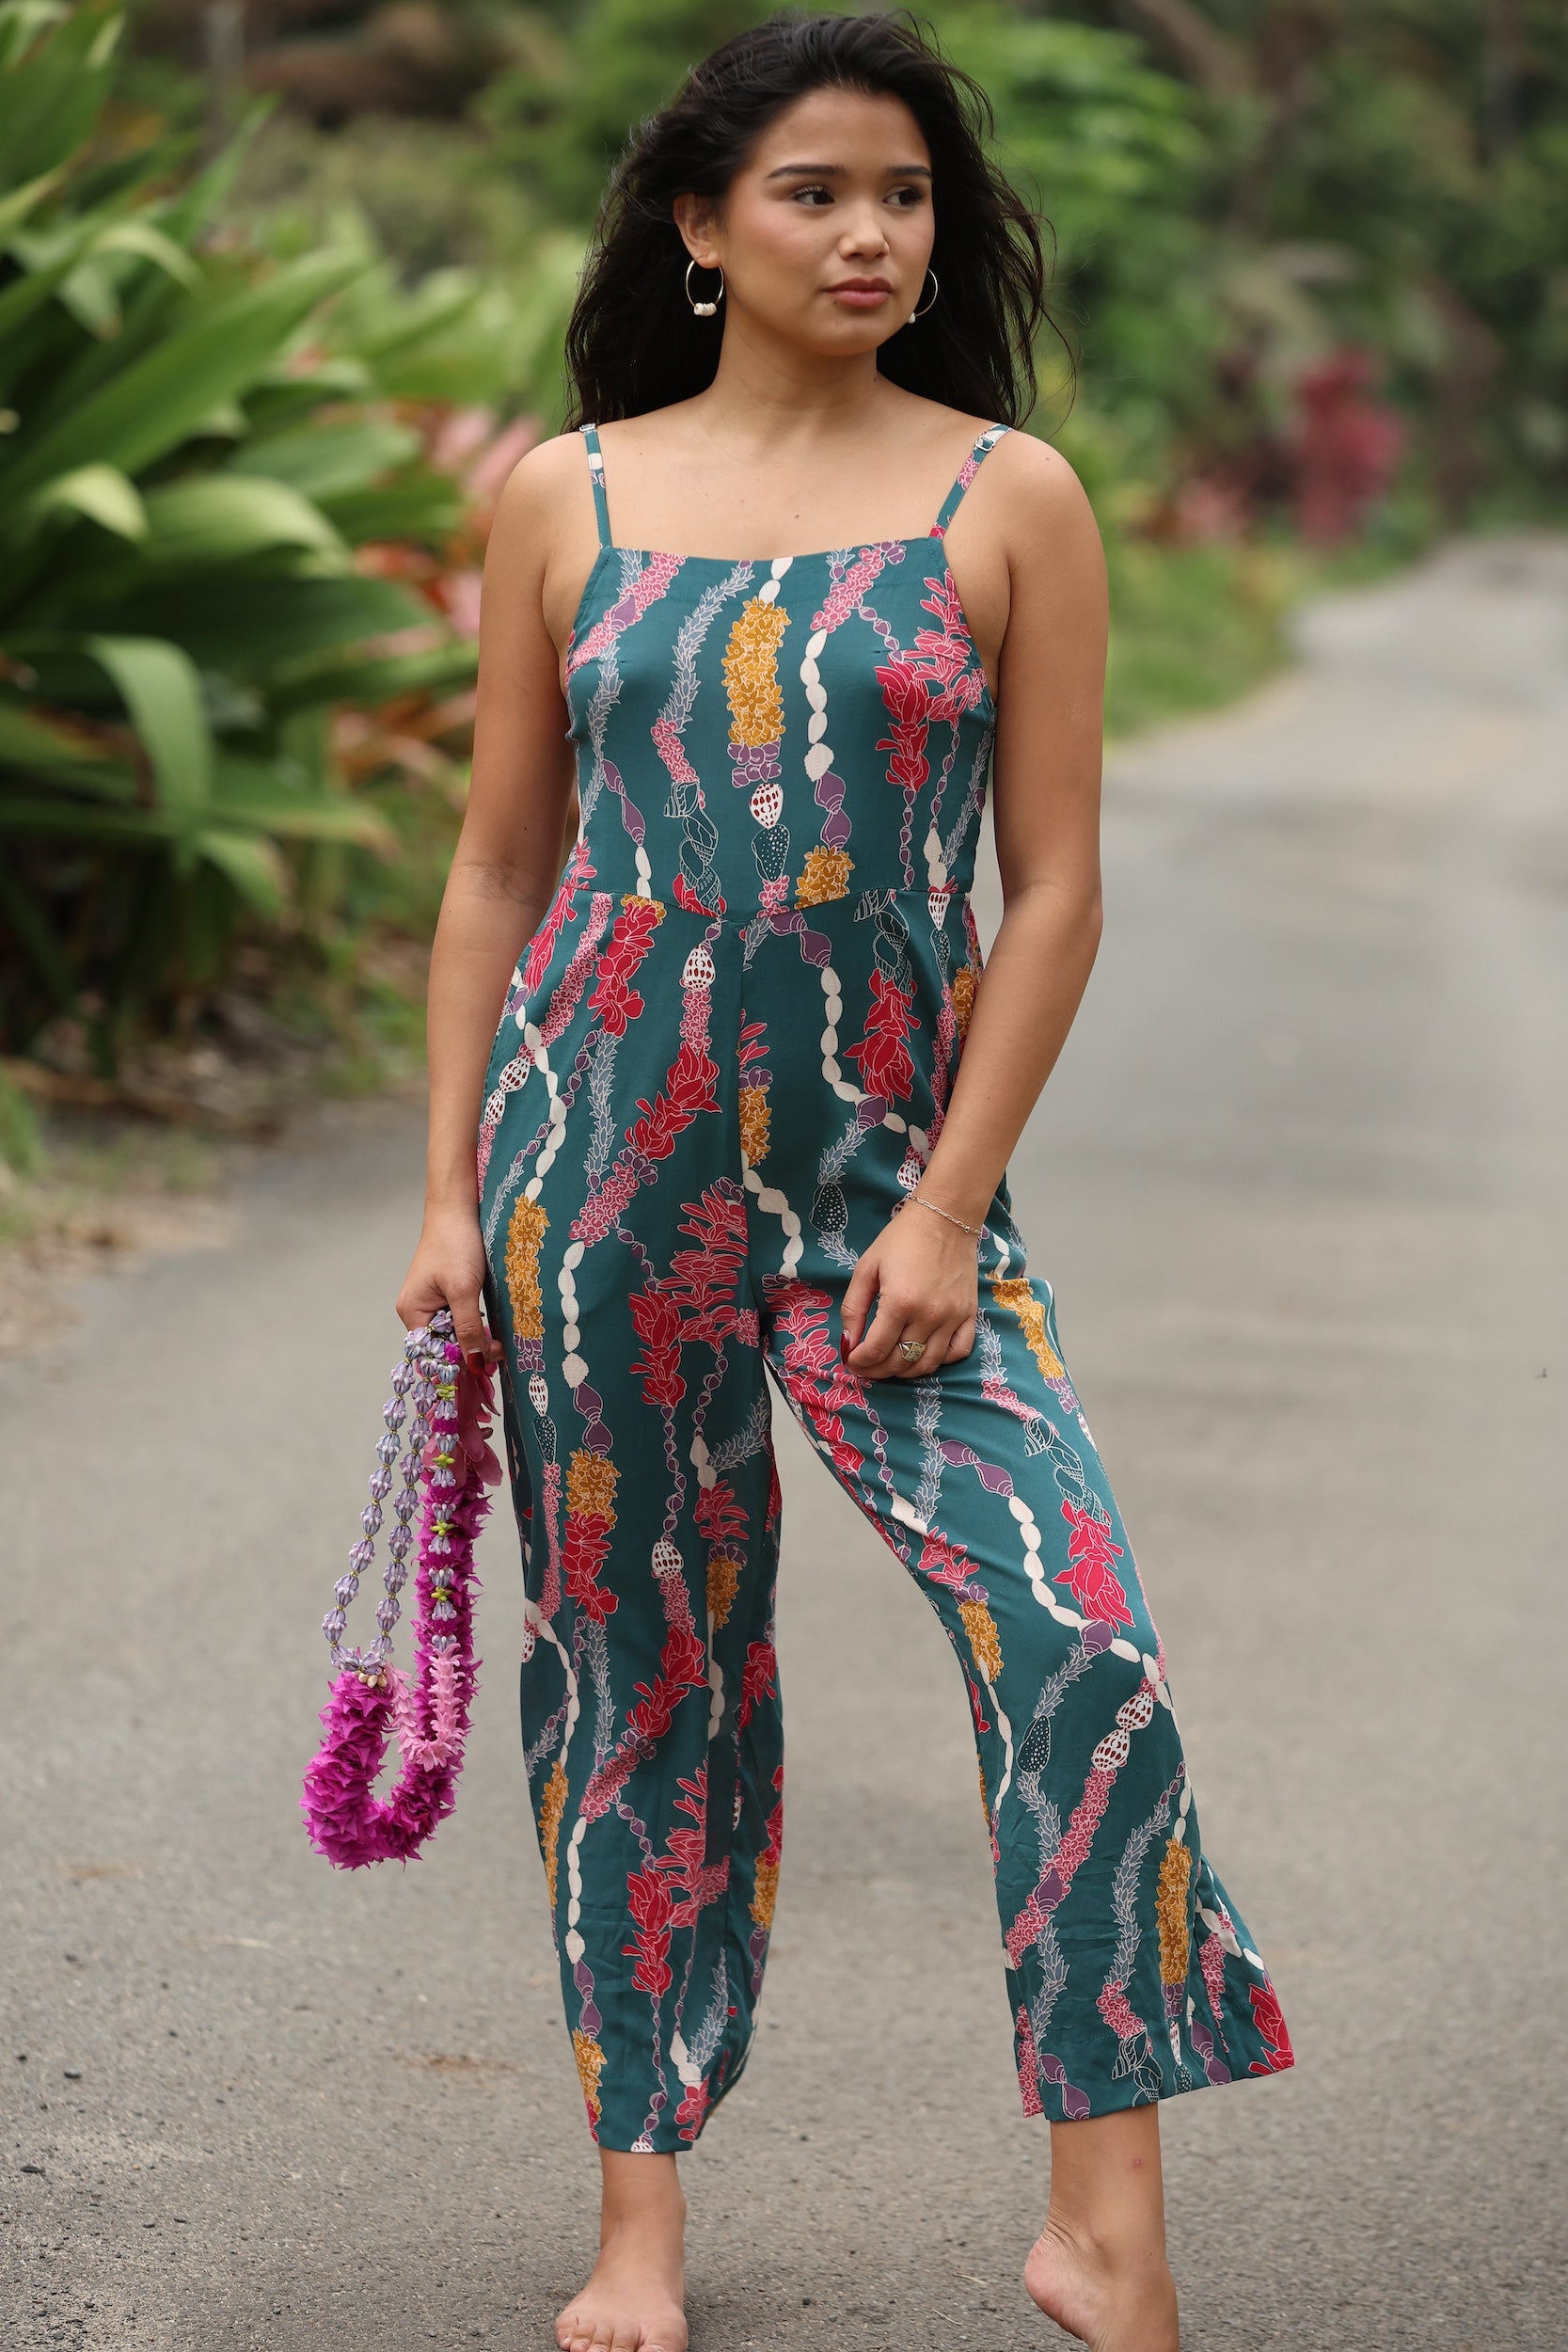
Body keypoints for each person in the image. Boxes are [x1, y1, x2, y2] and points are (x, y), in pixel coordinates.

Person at [396, 12, 1294, 2349]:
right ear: (704, 225)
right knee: (642, 1679)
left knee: (1078, 1640)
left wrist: (949, 1205)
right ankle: (639, 2222)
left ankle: (1105, 2225)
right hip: (595, 1174)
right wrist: (447, 1193)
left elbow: (1056, 887)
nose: (871, 232)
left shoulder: (1011, 494)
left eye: (904, 194)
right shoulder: (565, 495)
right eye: (815, 191)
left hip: (892, 1179)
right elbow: (495, 870)